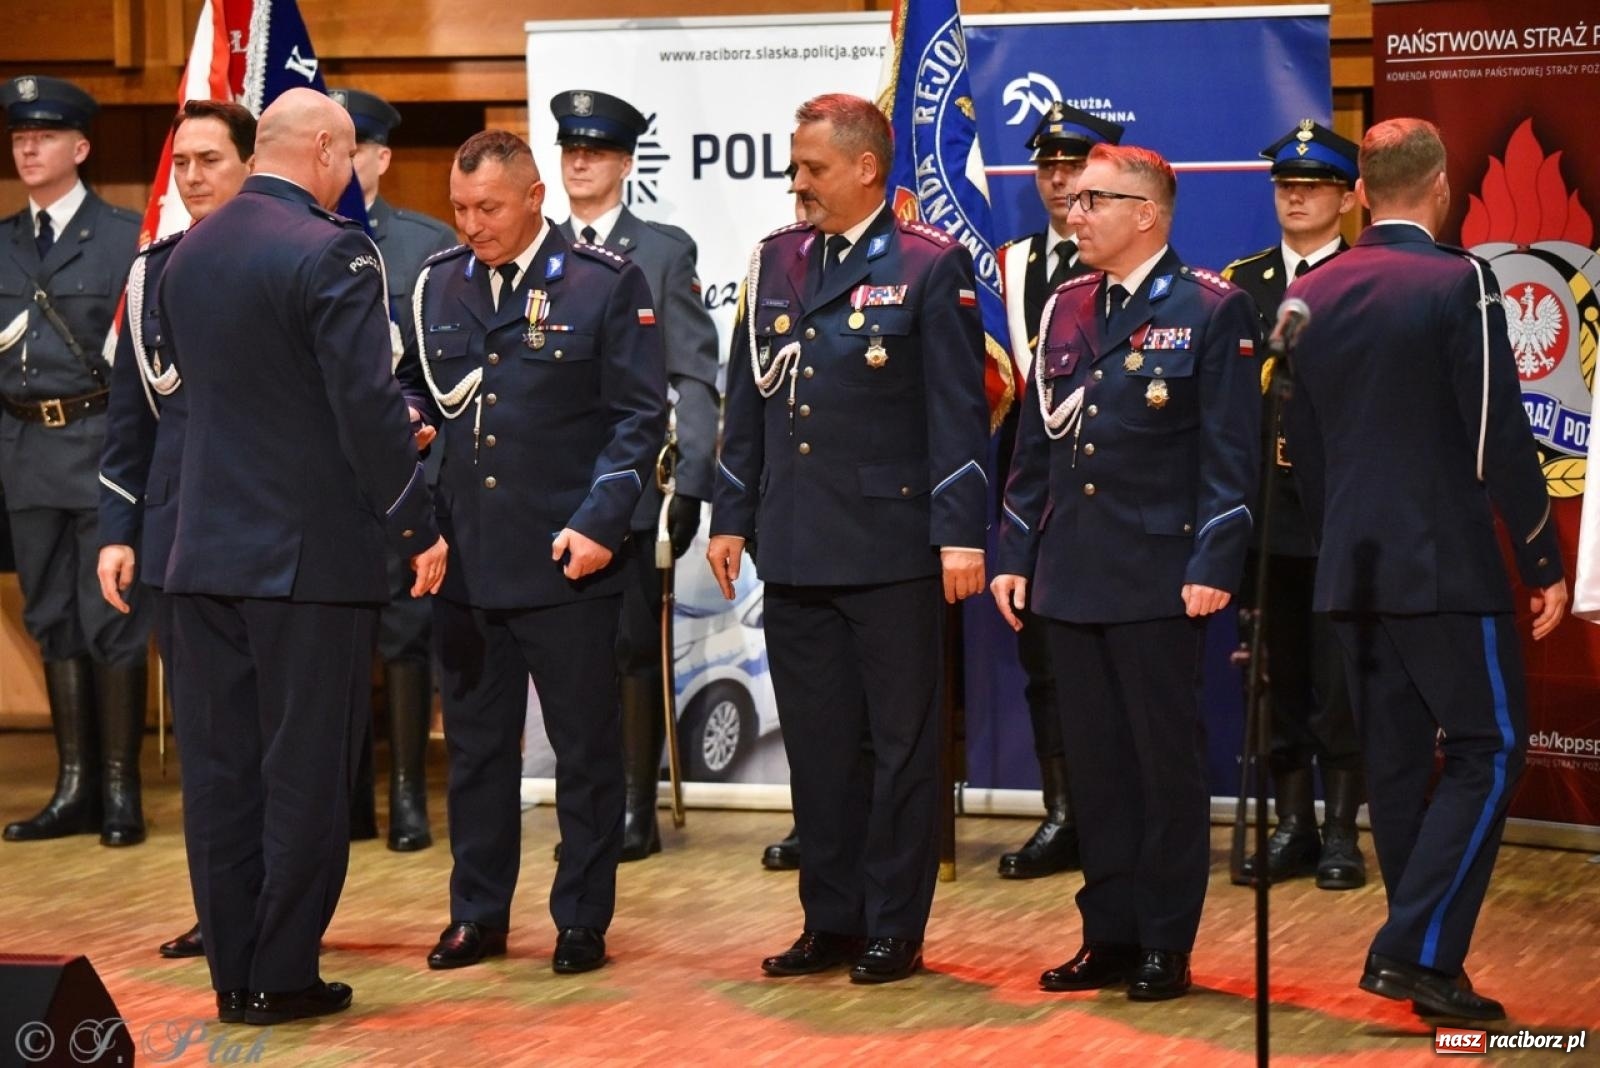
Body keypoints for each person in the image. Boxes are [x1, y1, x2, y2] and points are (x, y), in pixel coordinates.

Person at [158, 87, 446, 1025]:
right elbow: (367, 411)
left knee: (220, 775)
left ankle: (233, 970)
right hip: (307, 564)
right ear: (325, 147)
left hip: (200, 555)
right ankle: (283, 974)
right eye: (349, 153)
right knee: (307, 776)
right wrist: (415, 525)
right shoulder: (334, 250)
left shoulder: (185, 253)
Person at [1282, 117, 1567, 1021]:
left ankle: (1428, 963)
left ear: (1361, 190)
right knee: (1489, 749)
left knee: (1399, 769)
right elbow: (1498, 435)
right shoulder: (1463, 281)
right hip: (1442, 567)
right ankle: (1414, 948)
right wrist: (1539, 554)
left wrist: (1338, 547)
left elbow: (1303, 449)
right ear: (1441, 184)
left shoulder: (1317, 291)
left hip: (1349, 571)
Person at [708, 93, 989, 985]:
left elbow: (958, 417)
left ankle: (892, 927)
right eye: (795, 167)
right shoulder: (775, 260)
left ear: (867, 168)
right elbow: (743, 399)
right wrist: (730, 515)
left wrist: (959, 537)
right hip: (793, 545)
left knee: (901, 747)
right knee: (822, 747)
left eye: (814, 168)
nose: (799, 184)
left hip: (891, 548)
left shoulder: (928, 266)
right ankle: (829, 918)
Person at [992, 143, 1261, 1000]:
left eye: (1094, 200)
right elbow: (1035, 447)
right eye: (1073, 200)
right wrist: (1015, 553)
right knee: (1095, 769)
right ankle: (1105, 934)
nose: (1074, 210)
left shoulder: (1212, 308)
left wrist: (1214, 557)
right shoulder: (1067, 304)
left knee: (1161, 767)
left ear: (1145, 213)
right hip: (1071, 574)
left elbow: (1232, 455)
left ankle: (1162, 943)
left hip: (1158, 574)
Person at [415, 129, 665, 975]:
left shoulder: (602, 284)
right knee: (478, 753)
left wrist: (602, 522)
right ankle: (476, 915)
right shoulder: (437, 285)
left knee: (586, 752)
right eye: (459, 208)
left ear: (533, 199)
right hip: (469, 565)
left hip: (569, 560)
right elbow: (414, 391)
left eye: (487, 207)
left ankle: (581, 918)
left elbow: (639, 417)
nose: (472, 224)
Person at [94, 100, 256, 963]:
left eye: (210, 160)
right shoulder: (148, 273)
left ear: (251, 163)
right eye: (181, 162)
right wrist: (118, 529)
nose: (192, 177)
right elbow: (131, 422)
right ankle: (220, 909)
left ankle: (284, 914)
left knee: (277, 745)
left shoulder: (291, 258)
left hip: (272, 537)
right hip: (180, 537)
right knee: (207, 743)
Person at [550, 88, 720, 861]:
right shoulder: (539, 249)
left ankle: (633, 807)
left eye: (596, 152)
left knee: (627, 647)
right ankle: (583, 810)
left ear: (623, 165)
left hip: (633, 481)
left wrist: (690, 483)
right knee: (564, 654)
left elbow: (693, 373)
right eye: (570, 150)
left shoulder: (660, 249)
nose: (580, 161)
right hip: (552, 484)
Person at [0, 75, 149, 848]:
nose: (27, 147)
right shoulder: (2, 243)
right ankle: (74, 786)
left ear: (80, 148)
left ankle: (121, 790)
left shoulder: (124, 237)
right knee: (52, 613)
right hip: (25, 452)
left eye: (45, 137)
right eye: (20, 137)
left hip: (98, 452)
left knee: (112, 616)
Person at [1222, 120, 1365, 890]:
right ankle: (1293, 825)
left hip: (1341, 510)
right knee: (1273, 674)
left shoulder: (1365, 274)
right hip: (1266, 514)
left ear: (1347, 198)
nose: (1297, 195)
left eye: (1312, 185)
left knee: (1340, 675)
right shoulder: (1240, 283)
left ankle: (1343, 831)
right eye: (1286, 184)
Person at [992, 102, 1122, 881]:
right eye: (1046, 167)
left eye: (1071, 166)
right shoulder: (1014, 267)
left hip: (1113, 499)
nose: (1058, 180)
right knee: (1046, 666)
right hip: (1035, 499)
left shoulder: (1119, 258)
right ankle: (1063, 810)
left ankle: (1114, 814)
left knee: (1116, 669)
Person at [331, 86, 458, 852]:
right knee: (338, 637)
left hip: (408, 468)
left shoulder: (426, 243)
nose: (343, 163)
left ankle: (410, 792)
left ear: (379, 157)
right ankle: (349, 798)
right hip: (327, 479)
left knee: (409, 634)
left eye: (356, 149)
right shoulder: (302, 237)